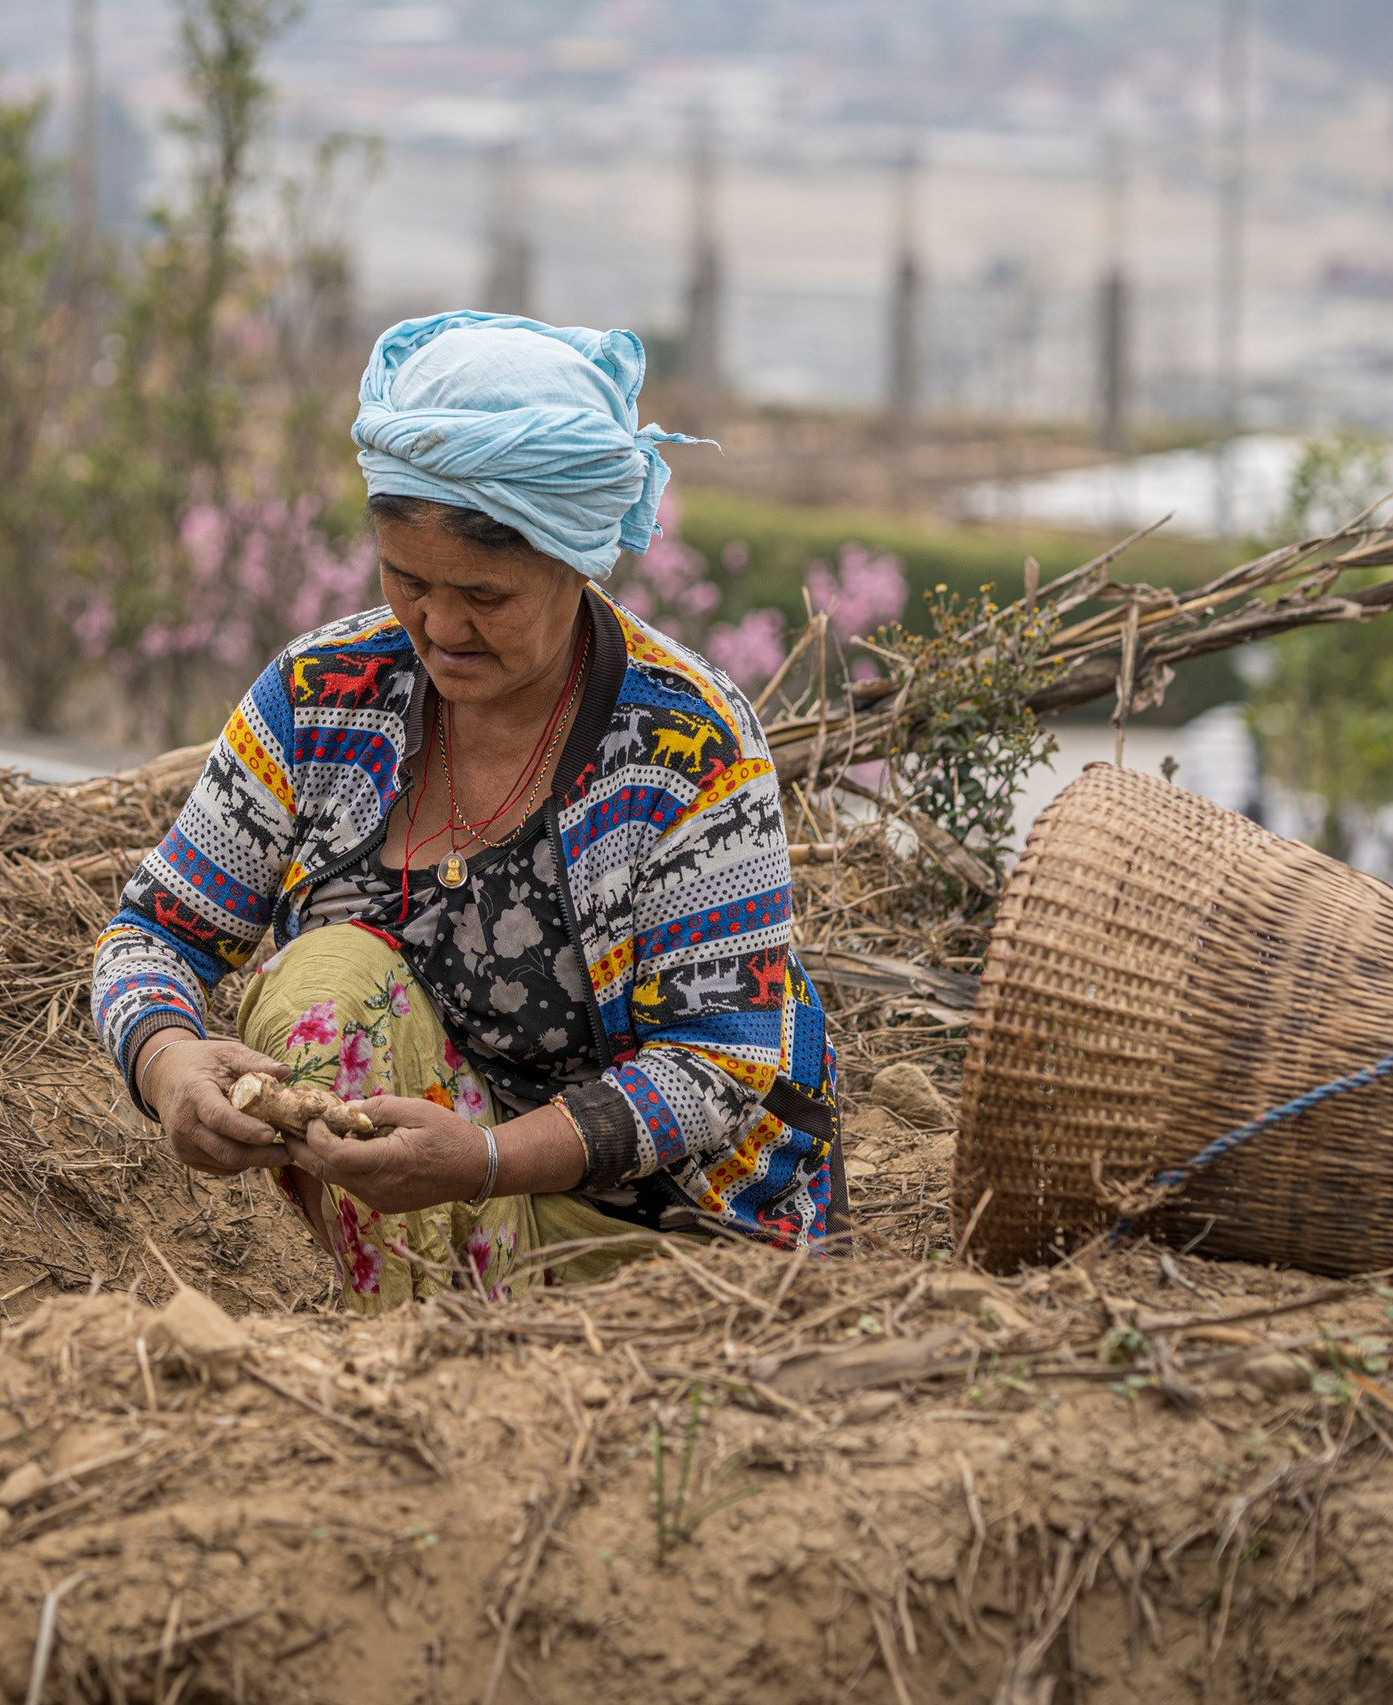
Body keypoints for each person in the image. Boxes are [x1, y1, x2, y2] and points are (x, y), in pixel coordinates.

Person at [90, 311, 842, 1311]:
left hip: (662, 1251)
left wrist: (488, 1160)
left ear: (575, 562)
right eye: (407, 580)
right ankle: (403, 1341)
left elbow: (717, 1067)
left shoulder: (689, 745)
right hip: (420, 1208)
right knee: (325, 982)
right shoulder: (321, 698)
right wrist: (166, 1061)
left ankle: (430, 1350)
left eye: (485, 596)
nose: (440, 626)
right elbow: (150, 934)